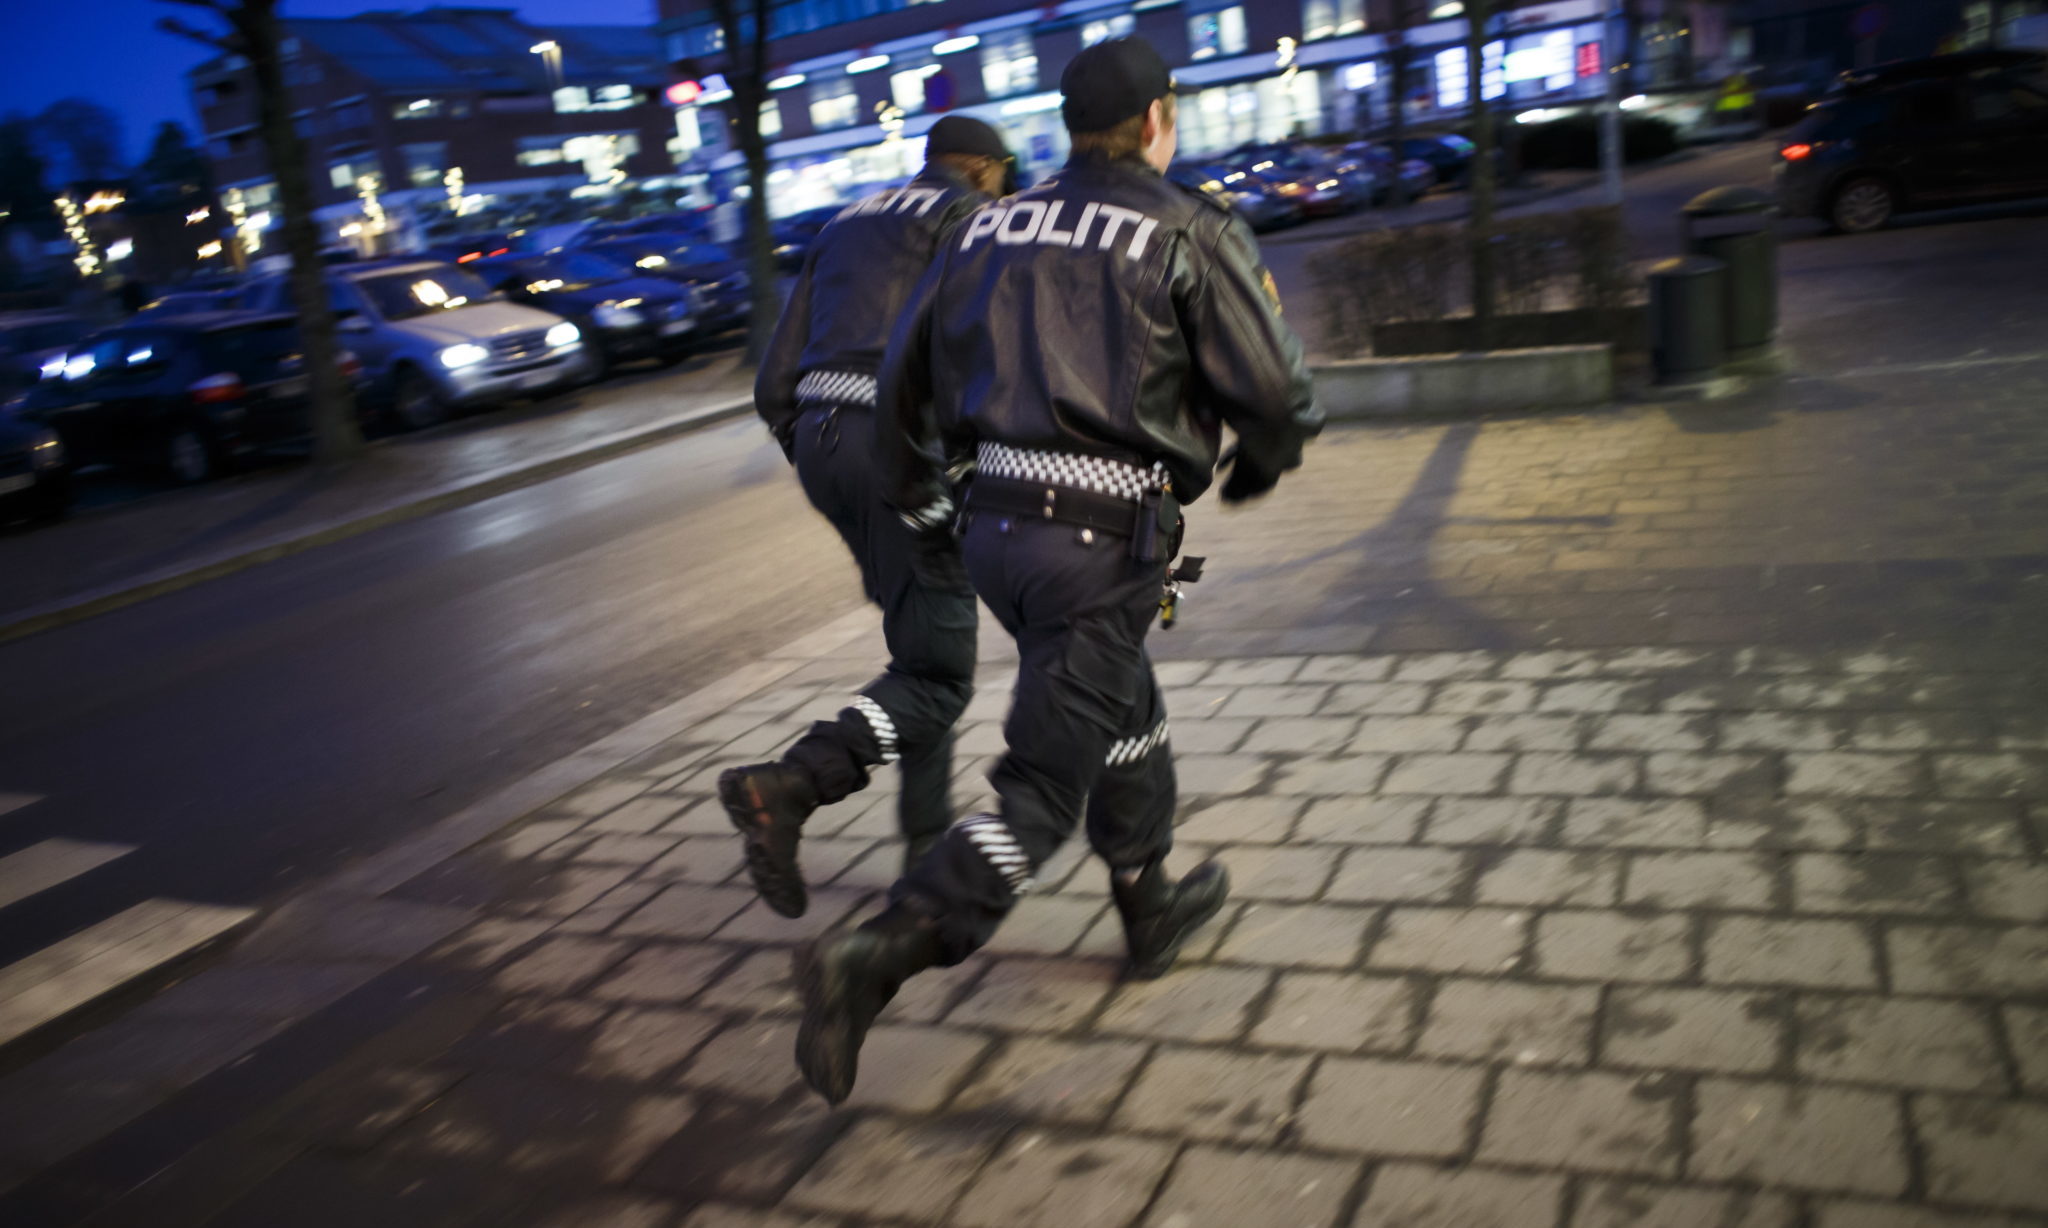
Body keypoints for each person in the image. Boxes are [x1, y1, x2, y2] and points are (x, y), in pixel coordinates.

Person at [794, 36, 1322, 1104]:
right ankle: (880, 952)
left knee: (1120, 705)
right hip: (1100, 540)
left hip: (995, 532)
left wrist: (922, 505)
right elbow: (1275, 393)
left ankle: (1148, 901)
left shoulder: (984, 226)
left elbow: (904, 381)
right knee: (1041, 785)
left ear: (1071, 125)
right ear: (1157, 118)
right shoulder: (1187, 225)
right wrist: (1262, 465)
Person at [721, 116, 1018, 920]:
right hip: (907, 458)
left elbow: (773, 385)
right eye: (1005, 175)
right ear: (983, 169)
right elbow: (995, 356)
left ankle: (923, 845)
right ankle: (788, 786)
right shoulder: (972, 219)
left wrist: (820, 448)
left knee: (921, 655)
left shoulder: (844, 221)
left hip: (824, 448)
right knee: (939, 675)